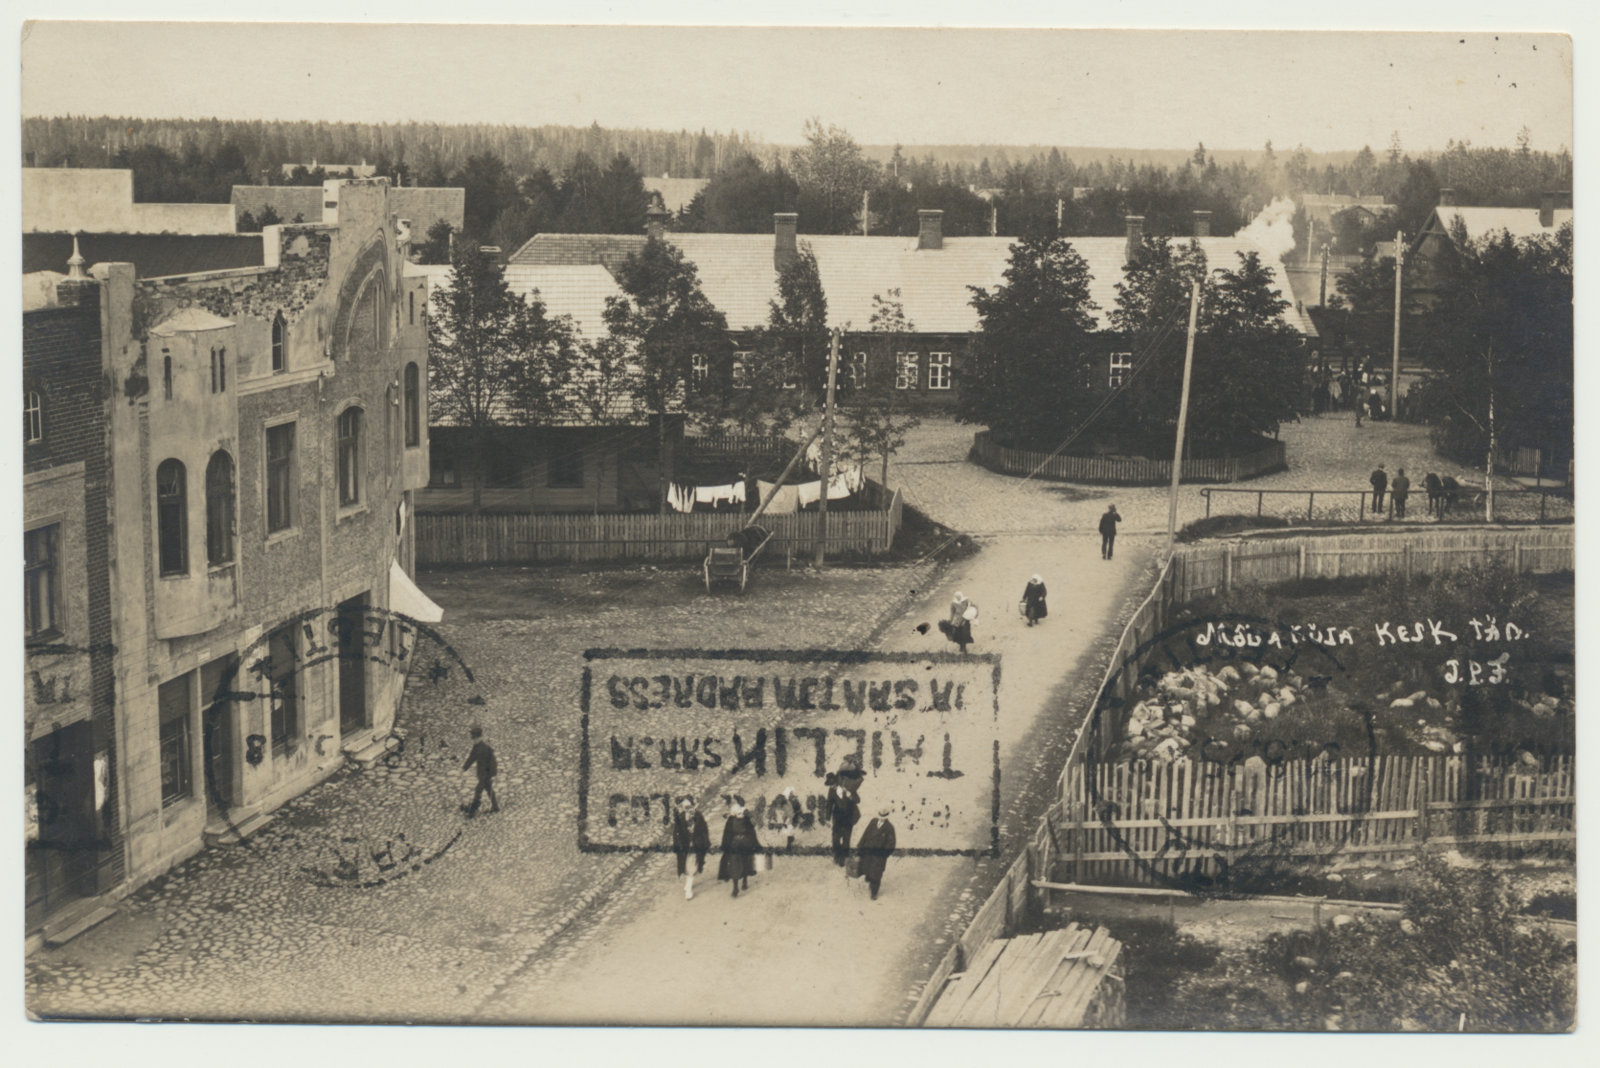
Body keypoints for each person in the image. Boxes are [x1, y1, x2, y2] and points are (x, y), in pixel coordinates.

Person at [717, 802, 761, 897]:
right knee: (734, 865)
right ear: (734, 813)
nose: (740, 815)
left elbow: (752, 831)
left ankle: (745, 881)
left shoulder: (747, 820)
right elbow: (727, 834)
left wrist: (754, 844)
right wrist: (725, 845)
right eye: (738, 814)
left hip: (745, 844)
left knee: (746, 862)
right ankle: (735, 888)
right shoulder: (731, 821)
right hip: (734, 846)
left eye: (741, 813)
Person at [855, 807, 898, 900]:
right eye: (880, 816)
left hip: (879, 856)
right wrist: (860, 849)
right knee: (867, 868)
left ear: (887, 816)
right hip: (868, 852)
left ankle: (874, 893)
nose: (882, 818)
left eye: (884, 816)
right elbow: (865, 835)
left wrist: (883, 855)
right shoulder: (873, 822)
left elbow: (891, 844)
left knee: (877, 874)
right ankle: (869, 879)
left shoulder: (889, 828)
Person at [672, 797, 711, 891]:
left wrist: (705, 842)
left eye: (689, 807)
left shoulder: (698, 816)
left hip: (696, 845)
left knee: (692, 865)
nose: (688, 809)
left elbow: (704, 830)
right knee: (686, 865)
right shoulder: (681, 817)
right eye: (685, 807)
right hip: (685, 846)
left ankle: (688, 887)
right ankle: (688, 882)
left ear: (693, 806)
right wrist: (677, 844)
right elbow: (676, 832)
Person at [461, 726, 499, 817]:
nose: (473, 740)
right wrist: (465, 767)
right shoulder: (477, 747)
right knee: (489, 789)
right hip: (483, 774)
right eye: (472, 738)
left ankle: (473, 809)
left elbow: (492, 762)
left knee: (478, 790)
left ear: (479, 737)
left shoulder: (484, 749)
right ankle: (495, 807)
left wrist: (491, 773)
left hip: (485, 774)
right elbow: (472, 757)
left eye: (474, 738)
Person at [829, 778, 860, 867]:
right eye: (831, 785)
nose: (832, 787)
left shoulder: (849, 789)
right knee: (835, 838)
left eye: (833, 785)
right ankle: (837, 856)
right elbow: (830, 802)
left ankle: (844, 859)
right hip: (837, 819)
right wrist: (828, 816)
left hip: (848, 819)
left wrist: (850, 794)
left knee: (846, 839)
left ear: (837, 783)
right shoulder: (832, 790)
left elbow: (858, 800)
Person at [766, 786, 800, 852]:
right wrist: (771, 822)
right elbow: (770, 814)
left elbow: (791, 815)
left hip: (787, 820)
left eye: (780, 802)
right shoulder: (774, 805)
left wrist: (785, 823)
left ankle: (789, 843)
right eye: (777, 802)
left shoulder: (787, 805)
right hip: (777, 821)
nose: (778, 804)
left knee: (789, 829)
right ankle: (772, 845)